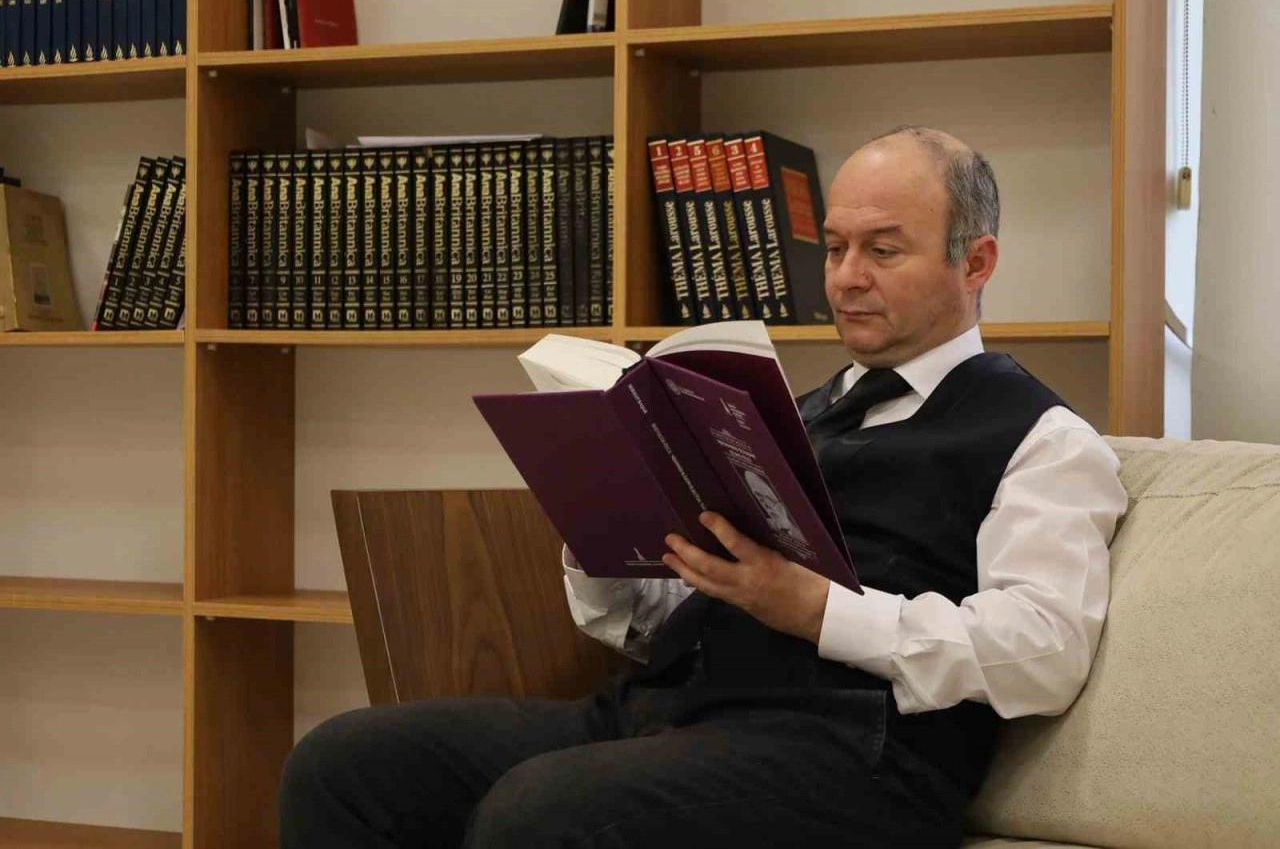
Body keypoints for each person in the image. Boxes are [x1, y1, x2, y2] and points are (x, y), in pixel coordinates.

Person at [277, 126, 1128, 849]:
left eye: (882, 250)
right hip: (673, 712)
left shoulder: (1044, 440)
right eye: (834, 248)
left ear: (975, 261)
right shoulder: (789, 413)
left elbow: (1045, 648)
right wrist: (603, 528)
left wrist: (819, 610)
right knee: (345, 763)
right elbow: (671, 618)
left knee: (541, 812)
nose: (845, 277)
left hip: (850, 750)